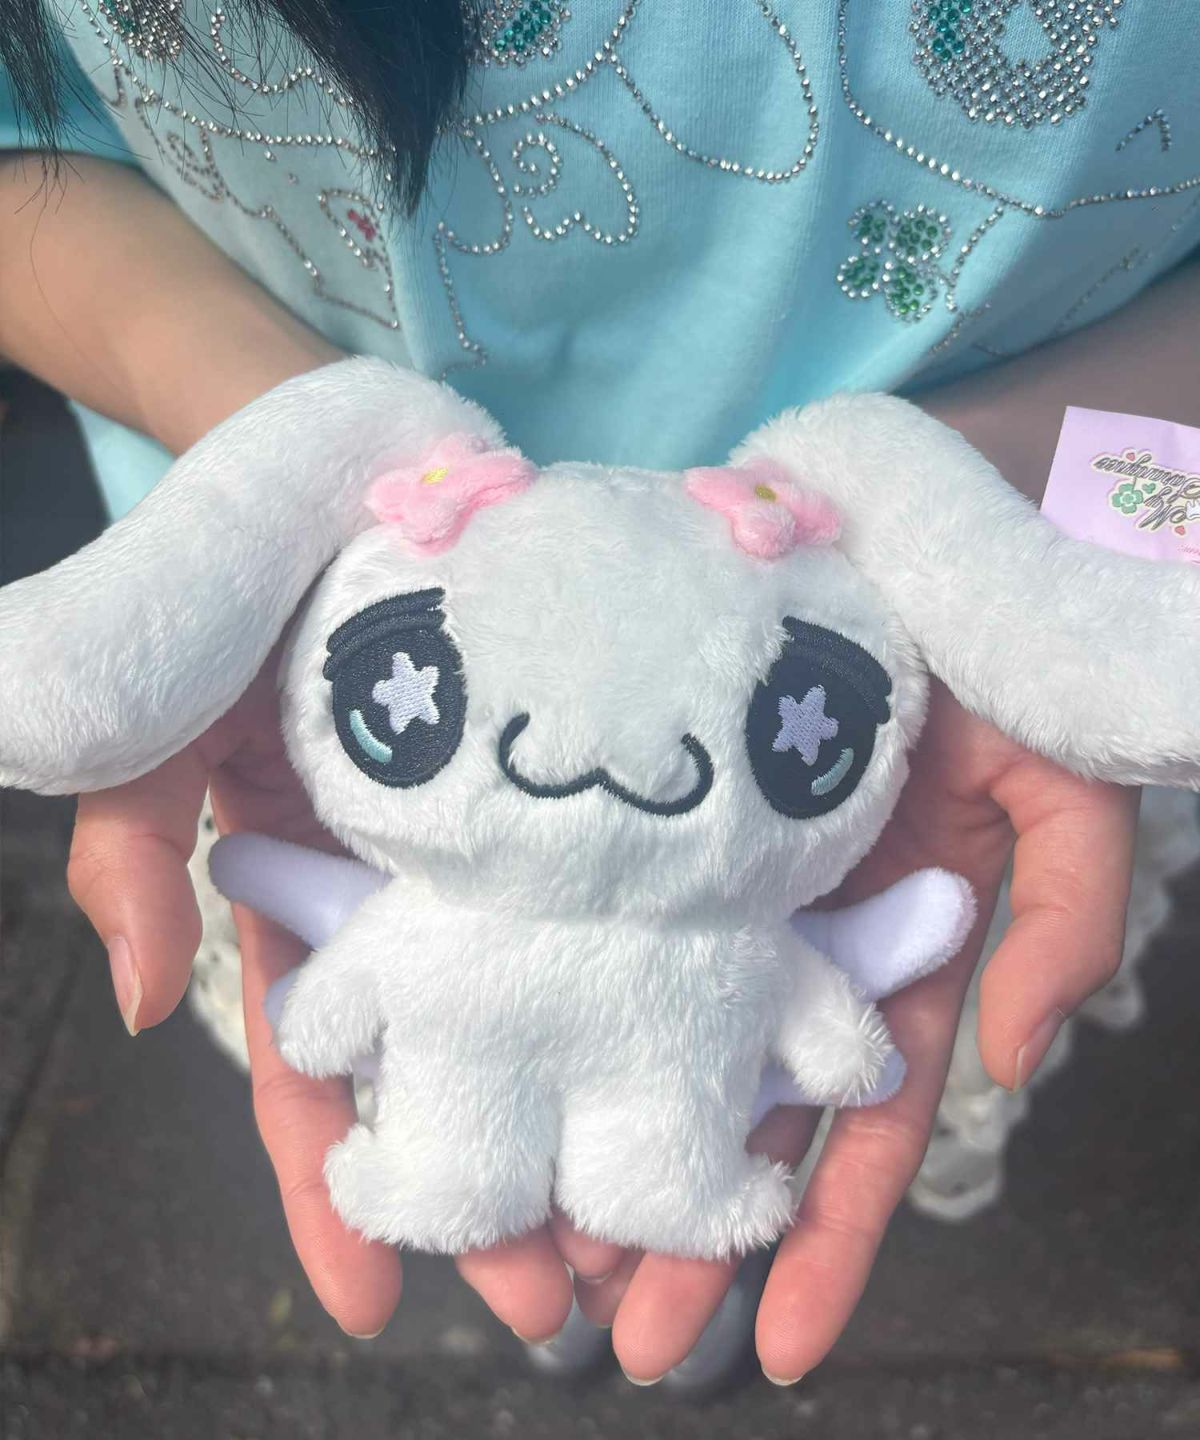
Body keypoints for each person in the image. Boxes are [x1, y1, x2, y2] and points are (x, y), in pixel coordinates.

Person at [1, 0, 1197, 1387]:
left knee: (722, 1154)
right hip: (324, 585)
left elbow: (833, 1008)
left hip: (958, 628)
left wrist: (991, 526)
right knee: (527, 1156)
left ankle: (653, 1258)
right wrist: (268, 495)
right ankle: (576, 1274)